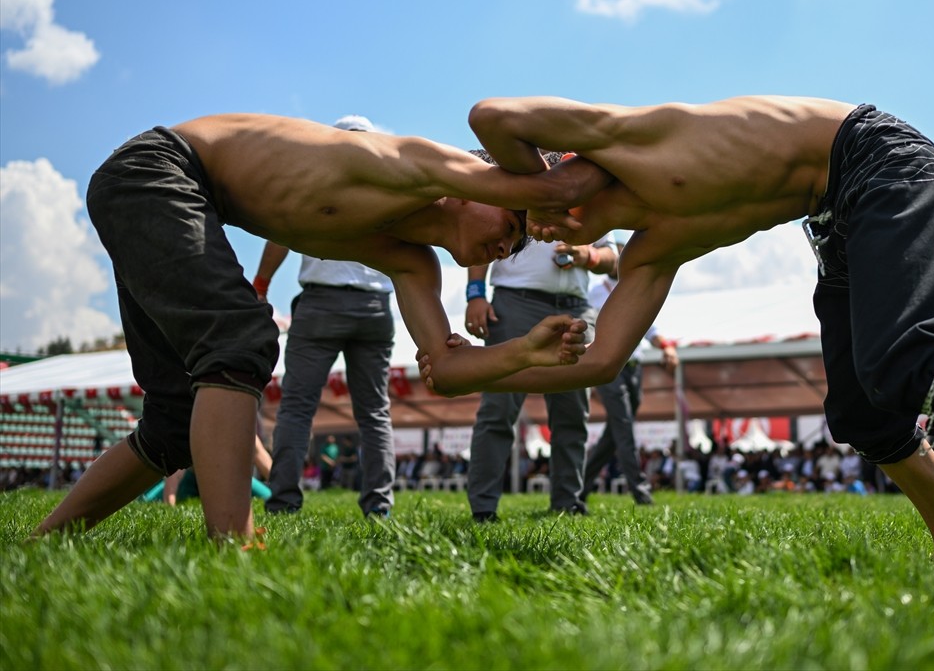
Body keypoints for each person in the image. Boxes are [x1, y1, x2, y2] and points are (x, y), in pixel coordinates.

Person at [423, 95, 934, 573]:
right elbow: (600, 362)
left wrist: (524, 185)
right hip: (836, 217)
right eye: (524, 237)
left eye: (528, 220)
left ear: (552, 177)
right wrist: (491, 366)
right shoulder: (659, 244)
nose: (537, 235)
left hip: (881, 163)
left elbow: (492, 116)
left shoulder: (630, 139)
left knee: (901, 367)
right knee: (862, 411)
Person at [32, 113, 590, 543]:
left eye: (518, 245)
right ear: (480, 187)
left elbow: (444, 371)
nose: (508, 246)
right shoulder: (413, 164)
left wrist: (523, 352)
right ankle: (235, 548)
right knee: (239, 340)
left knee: (176, 422)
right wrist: (562, 188)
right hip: (158, 170)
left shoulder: (409, 260)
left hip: (166, 195)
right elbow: (508, 147)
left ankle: (45, 542)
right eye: (512, 224)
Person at [256, 115, 400, 519]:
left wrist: (261, 284)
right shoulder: (390, 187)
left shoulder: (313, 181)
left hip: (321, 304)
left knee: (297, 406)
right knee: (374, 412)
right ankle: (379, 507)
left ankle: (284, 501)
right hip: (375, 307)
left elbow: (281, 233)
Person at [464, 234, 616, 520]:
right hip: (515, 301)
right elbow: (484, 235)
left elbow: (613, 259)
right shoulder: (509, 197)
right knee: (499, 409)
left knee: (572, 413)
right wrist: (475, 294)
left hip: (576, 307)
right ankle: (483, 508)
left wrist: (589, 255)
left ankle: (567, 504)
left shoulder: (594, 204)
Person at [581, 244, 678, 506]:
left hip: (634, 367)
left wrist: (666, 347)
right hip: (610, 369)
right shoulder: (594, 294)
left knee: (615, 432)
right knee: (623, 426)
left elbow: (650, 328)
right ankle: (640, 491)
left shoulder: (635, 289)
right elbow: (586, 330)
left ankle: (581, 487)